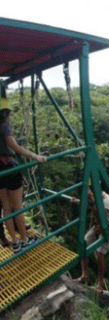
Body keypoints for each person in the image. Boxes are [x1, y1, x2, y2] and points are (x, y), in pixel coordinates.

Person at [0, 98, 47, 253]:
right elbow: (14, 147)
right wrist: (35, 156)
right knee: (17, 208)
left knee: (6, 209)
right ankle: (25, 240)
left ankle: (14, 242)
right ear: (6, 113)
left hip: (0, 172)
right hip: (10, 170)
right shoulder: (4, 128)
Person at [71, 187, 109, 292]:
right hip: (96, 225)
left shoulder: (107, 200)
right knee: (84, 242)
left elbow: (97, 209)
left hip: (106, 227)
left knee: (100, 254)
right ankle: (84, 274)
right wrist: (79, 201)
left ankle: (100, 282)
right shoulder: (95, 199)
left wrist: (91, 198)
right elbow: (91, 205)